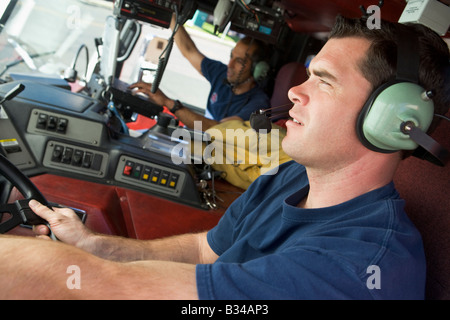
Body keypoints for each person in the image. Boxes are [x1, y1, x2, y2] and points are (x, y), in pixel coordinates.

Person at [0, 16, 449, 299]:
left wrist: (70, 271)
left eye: (325, 81)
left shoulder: (359, 268)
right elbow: (204, 250)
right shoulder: (291, 178)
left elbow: (98, 288)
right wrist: (92, 245)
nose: (293, 90)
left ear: (393, 120)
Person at [129, 17, 270, 130]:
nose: (230, 65)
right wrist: (173, 15)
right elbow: (189, 51)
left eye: (239, 61)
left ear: (257, 70)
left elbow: (219, 130)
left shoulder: (258, 103)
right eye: (231, 56)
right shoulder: (222, 73)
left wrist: (168, 102)